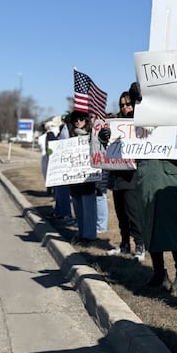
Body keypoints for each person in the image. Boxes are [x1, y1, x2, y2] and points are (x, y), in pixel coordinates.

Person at [128, 82, 177, 291]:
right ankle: (159, 271)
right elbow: (122, 135)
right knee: (149, 221)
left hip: (172, 173)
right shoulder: (137, 116)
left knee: (174, 222)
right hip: (148, 174)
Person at [99, 92, 146, 261]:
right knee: (121, 213)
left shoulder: (141, 121)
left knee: (133, 212)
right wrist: (103, 134)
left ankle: (140, 245)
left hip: (132, 176)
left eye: (128, 104)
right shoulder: (116, 122)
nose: (125, 108)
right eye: (122, 105)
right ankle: (125, 243)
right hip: (117, 174)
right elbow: (104, 141)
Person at [67, 109, 98, 244]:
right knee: (78, 207)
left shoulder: (92, 136)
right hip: (74, 178)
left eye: (81, 119)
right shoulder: (70, 137)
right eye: (75, 120)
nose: (78, 122)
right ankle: (81, 232)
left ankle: (89, 235)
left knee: (88, 208)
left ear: (86, 120)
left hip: (88, 178)